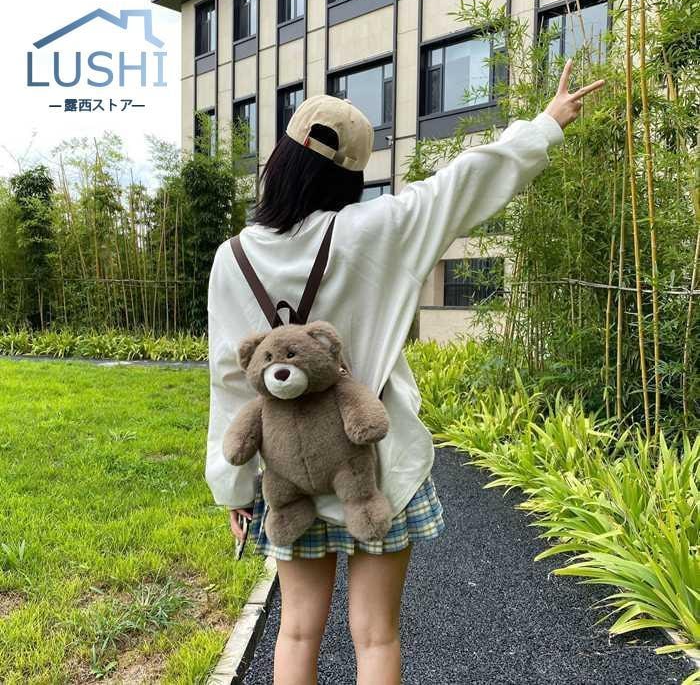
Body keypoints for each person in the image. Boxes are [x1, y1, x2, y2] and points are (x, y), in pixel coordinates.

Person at [206, 58, 605, 685]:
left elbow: (230, 385)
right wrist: (545, 124)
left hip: (289, 479)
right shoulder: (378, 228)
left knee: (297, 631)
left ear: (280, 160)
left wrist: (235, 490)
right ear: (352, 176)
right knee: (376, 636)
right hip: (379, 472)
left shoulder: (230, 259)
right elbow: (461, 183)